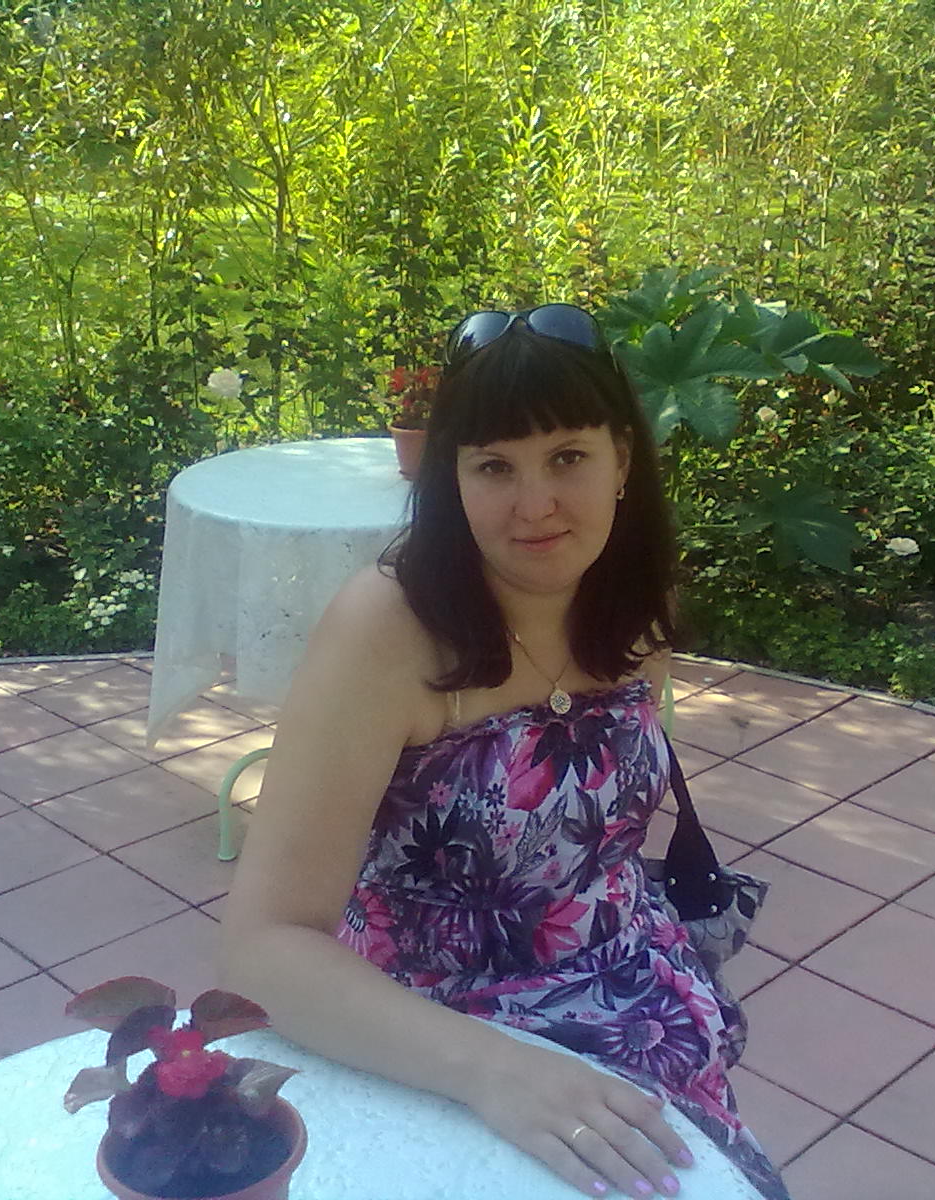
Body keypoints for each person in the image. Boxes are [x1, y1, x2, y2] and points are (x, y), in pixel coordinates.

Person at [220, 304, 790, 1200]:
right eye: (494, 466)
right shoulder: (387, 631)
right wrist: (495, 1070)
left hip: (640, 1002)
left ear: (622, 461)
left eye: (567, 457)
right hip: (434, 1028)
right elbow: (262, 945)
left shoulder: (630, 605)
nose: (535, 505)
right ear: (452, 477)